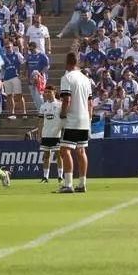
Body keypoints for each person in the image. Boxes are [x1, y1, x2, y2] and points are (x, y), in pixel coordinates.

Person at [57, 52, 94, 194]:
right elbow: (90, 103)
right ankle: (82, 183)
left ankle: (68, 184)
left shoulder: (66, 78)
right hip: (84, 118)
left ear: (67, 62)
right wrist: (89, 119)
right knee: (81, 150)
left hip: (72, 118)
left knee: (65, 150)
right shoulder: (86, 79)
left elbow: (67, 100)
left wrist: (62, 114)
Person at [38, 80, 62, 184]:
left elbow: (64, 120)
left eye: (49, 92)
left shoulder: (60, 105)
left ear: (54, 92)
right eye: (46, 92)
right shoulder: (43, 106)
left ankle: (60, 176)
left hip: (56, 134)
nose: (47, 94)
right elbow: (40, 121)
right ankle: (45, 177)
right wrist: (39, 134)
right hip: (46, 134)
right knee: (46, 156)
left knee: (59, 155)